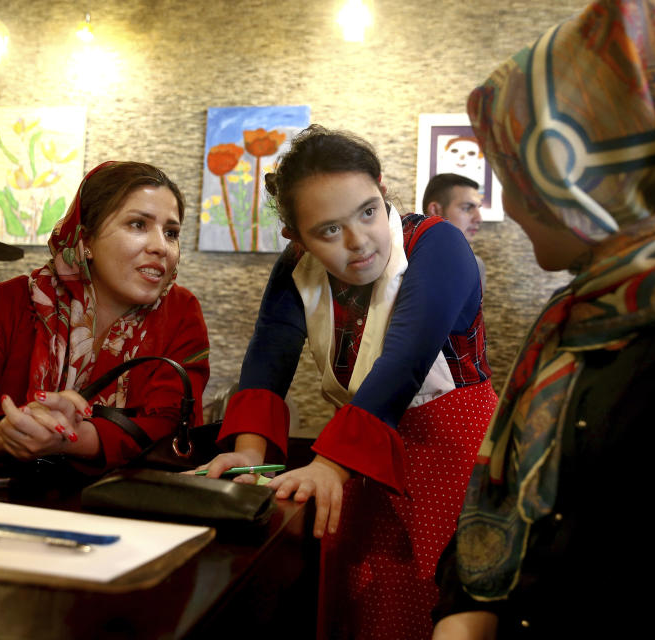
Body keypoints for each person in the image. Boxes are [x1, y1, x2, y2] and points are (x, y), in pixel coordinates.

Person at [432, 1, 655, 638]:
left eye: (518, 169)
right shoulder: (578, 312)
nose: (510, 201)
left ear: (577, 169)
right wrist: (467, 612)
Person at [198, 125, 499, 639]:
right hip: (359, 457)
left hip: (454, 459)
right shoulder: (296, 270)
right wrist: (250, 453)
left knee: (443, 609)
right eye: (328, 231)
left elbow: (405, 356)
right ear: (297, 237)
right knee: (367, 611)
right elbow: (268, 358)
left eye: (367, 211)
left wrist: (331, 463)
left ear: (383, 190)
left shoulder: (438, 244)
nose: (359, 242)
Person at [0, 161, 209, 470]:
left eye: (171, 232)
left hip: (132, 507)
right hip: (15, 500)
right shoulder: (15, 301)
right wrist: (5, 434)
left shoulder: (180, 312)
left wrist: (72, 437)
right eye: (138, 225)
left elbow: (177, 433)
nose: (161, 247)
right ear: (85, 240)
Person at [422, 173, 486, 295]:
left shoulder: (475, 266)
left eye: (478, 208)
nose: (479, 219)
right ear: (435, 211)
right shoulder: (399, 262)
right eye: (467, 208)